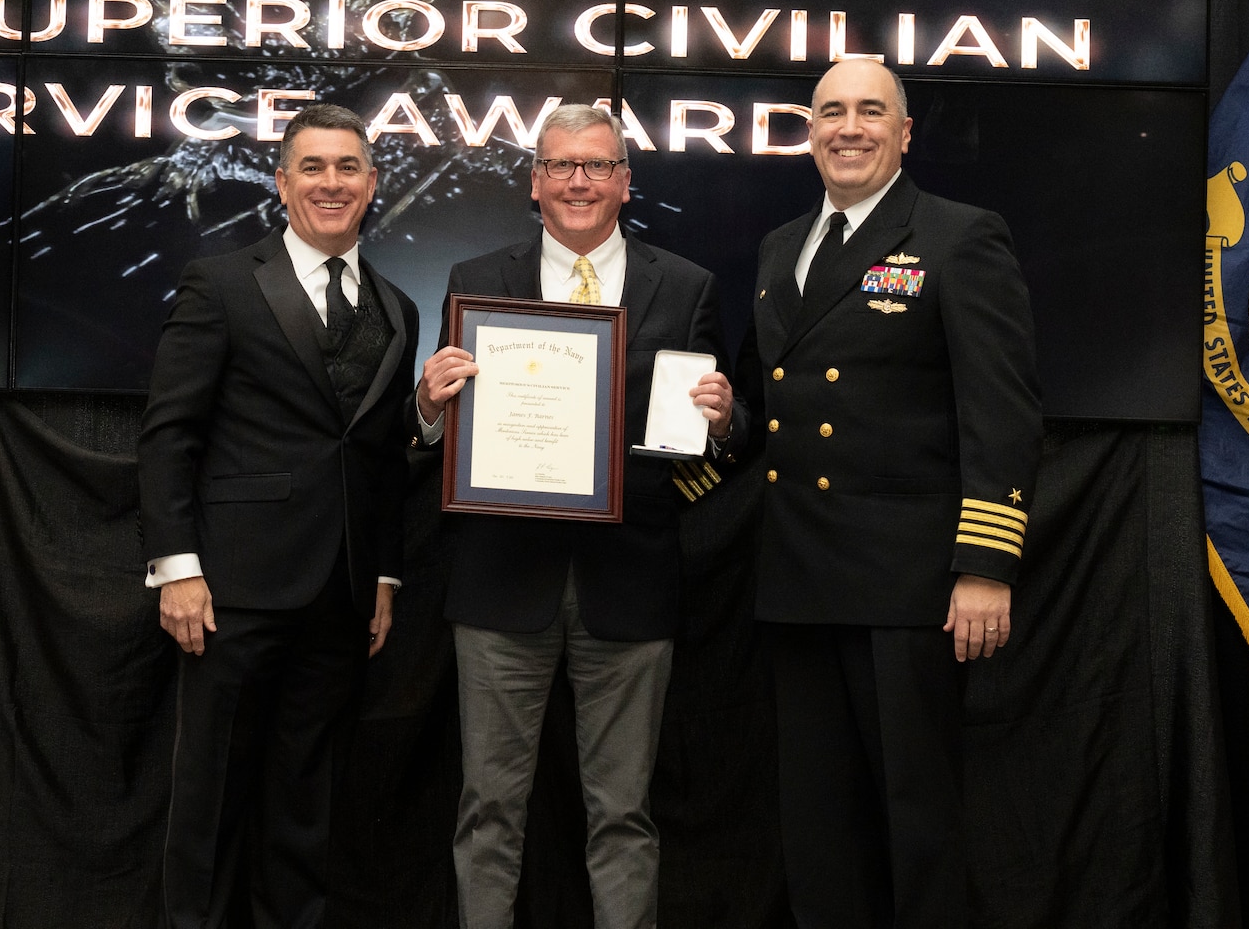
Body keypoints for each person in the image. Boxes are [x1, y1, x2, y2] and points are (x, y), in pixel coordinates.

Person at [413, 104, 748, 929]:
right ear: (535, 182)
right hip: (501, 583)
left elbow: (718, 440)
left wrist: (724, 419)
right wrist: (427, 404)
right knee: (487, 809)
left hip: (630, 584)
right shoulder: (475, 280)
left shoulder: (689, 286)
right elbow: (435, 435)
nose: (579, 182)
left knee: (624, 816)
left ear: (625, 183)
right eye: (562, 165)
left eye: (597, 166)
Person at [738, 59, 1042, 928]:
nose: (850, 127)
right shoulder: (778, 247)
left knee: (917, 823)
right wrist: (722, 421)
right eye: (831, 111)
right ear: (810, 132)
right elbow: (777, 410)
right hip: (798, 578)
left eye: (872, 111)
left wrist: (986, 564)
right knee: (818, 829)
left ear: (905, 133)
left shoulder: (957, 236)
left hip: (905, 588)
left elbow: (1003, 411)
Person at [137, 103, 419, 929]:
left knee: (307, 804)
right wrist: (176, 569)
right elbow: (168, 435)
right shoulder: (220, 283)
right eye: (313, 167)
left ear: (371, 184)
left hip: (340, 598)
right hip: (232, 591)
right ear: (281, 181)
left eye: (348, 168)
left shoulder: (397, 308)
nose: (331, 183)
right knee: (211, 798)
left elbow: (377, 458)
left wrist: (386, 574)